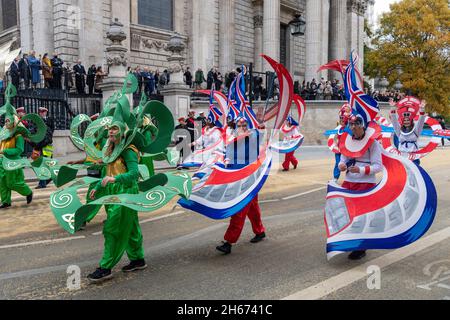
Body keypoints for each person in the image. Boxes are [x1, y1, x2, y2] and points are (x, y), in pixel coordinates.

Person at [87, 113, 146, 282]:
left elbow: (134, 174)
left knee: (114, 228)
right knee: (131, 225)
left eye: (115, 128)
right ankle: (137, 259)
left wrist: (115, 179)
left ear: (122, 131)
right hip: (113, 190)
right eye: (110, 128)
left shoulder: (128, 150)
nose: (111, 132)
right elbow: (108, 172)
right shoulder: (111, 149)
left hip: (126, 191)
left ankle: (106, 267)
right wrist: (98, 187)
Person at [216, 117, 266, 255]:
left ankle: (229, 242)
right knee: (252, 208)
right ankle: (260, 231)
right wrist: (226, 160)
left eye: (244, 124)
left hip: (248, 178)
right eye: (239, 125)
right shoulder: (233, 138)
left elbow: (260, 135)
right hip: (235, 177)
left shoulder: (252, 136)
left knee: (239, 209)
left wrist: (261, 127)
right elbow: (228, 152)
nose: (242, 126)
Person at [338, 114, 383, 260]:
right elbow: (342, 159)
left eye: (356, 125)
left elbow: (378, 166)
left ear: (362, 125)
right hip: (349, 181)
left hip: (366, 183)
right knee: (346, 213)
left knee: (362, 216)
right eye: (351, 125)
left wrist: (362, 170)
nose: (353, 128)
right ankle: (349, 241)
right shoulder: (347, 140)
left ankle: (361, 247)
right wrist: (342, 166)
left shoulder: (373, 143)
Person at [0, 103, 33, 209]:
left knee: (11, 183)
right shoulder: (3, 134)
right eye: (6, 121)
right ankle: (6, 201)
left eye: (8, 120)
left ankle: (28, 192)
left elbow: (19, 150)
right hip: (1, 161)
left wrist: (5, 152)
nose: (6, 122)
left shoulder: (18, 135)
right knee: (2, 183)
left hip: (12, 162)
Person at [389, 97, 426, 165]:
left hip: (413, 156)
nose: (406, 121)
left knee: (414, 174)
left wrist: (422, 109)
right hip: (402, 156)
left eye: (408, 120)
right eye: (405, 120)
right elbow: (394, 121)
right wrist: (392, 108)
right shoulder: (399, 131)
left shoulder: (416, 130)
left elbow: (421, 121)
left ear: (411, 121)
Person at [29, 107, 55, 189]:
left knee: (42, 166)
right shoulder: (38, 126)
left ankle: (42, 183)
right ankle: (47, 179)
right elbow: (34, 136)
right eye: (40, 112)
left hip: (44, 148)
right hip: (44, 148)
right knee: (44, 165)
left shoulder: (47, 127)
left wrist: (37, 146)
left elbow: (47, 139)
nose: (42, 113)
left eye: (43, 112)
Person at [333, 104, 351, 181]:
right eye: (341, 119)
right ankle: (335, 178)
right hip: (339, 149)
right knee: (337, 163)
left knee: (350, 163)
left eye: (343, 120)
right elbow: (335, 137)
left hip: (347, 148)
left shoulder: (349, 128)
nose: (341, 121)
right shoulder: (339, 128)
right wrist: (335, 144)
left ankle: (350, 177)